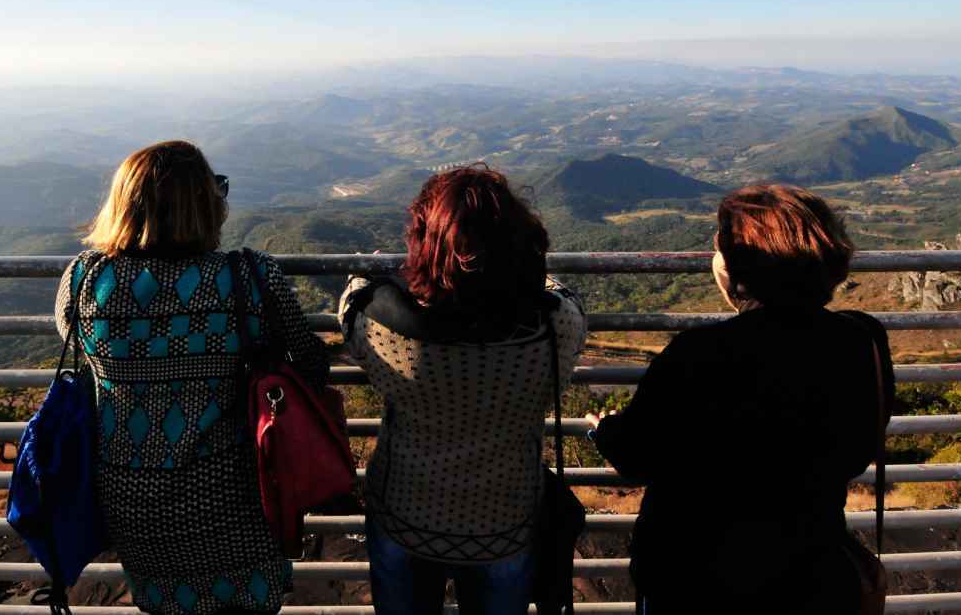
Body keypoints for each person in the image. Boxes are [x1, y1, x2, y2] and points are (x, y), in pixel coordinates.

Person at [586, 184, 895, 614]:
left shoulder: (700, 354)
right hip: (811, 574)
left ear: (737, 266)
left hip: (696, 580)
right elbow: (853, 446)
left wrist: (604, 430)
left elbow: (636, 458)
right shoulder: (863, 340)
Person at [55, 140, 329, 615]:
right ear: (206, 205)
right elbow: (310, 365)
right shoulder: (249, 277)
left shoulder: (85, 279)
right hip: (234, 496)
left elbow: (74, 339)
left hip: (135, 504)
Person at [338, 166, 587, 615]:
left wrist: (383, 275)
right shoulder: (556, 329)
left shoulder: (387, 331)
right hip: (505, 527)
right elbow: (560, 293)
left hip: (405, 519)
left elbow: (353, 301)